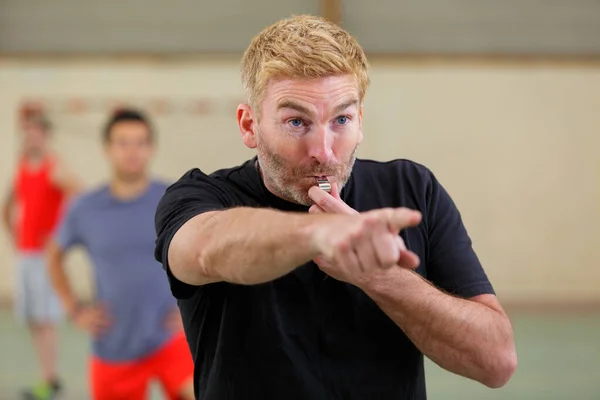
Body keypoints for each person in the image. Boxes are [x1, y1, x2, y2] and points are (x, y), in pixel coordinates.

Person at [153, 15, 518, 400]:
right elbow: (208, 248)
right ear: (249, 125)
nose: (323, 152)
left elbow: (496, 362)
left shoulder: (411, 190)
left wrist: (378, 276)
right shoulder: (201, 196)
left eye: (341, 119)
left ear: (360, 121)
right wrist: (318, 235)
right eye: (296, 121)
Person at [46, 109, 194, 400]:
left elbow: (206, 252)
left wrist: (194, 304)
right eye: (123, 142)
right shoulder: (85, 208)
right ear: (107, 149)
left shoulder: (173, 199)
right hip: (114, 347)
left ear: (151, 148)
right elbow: (53, 256)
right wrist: (74, 308)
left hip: (171, 339)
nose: (132, 151)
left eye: (140, 142)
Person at [2, 113, 82, 400]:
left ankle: (49, 380)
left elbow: (80, 195)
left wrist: (60, 238)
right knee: (34, 319)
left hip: (45, 259)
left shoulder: (54, 169)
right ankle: (47, 376)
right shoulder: (22, 168)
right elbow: (6, 207)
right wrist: (15, 238)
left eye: (36, 132)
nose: (31, 137)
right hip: (26, 256)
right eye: (27, 132)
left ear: (46, 135)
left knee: (47, 320)